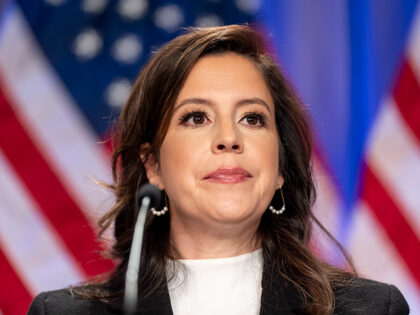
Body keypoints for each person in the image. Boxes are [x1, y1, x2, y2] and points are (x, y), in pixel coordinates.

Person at [28, 25, 409, 315]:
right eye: (196, 117)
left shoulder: (371, 309)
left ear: (279, 169)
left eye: (252, 118)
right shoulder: (62, 313)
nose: (228, 138)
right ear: (152, 165)